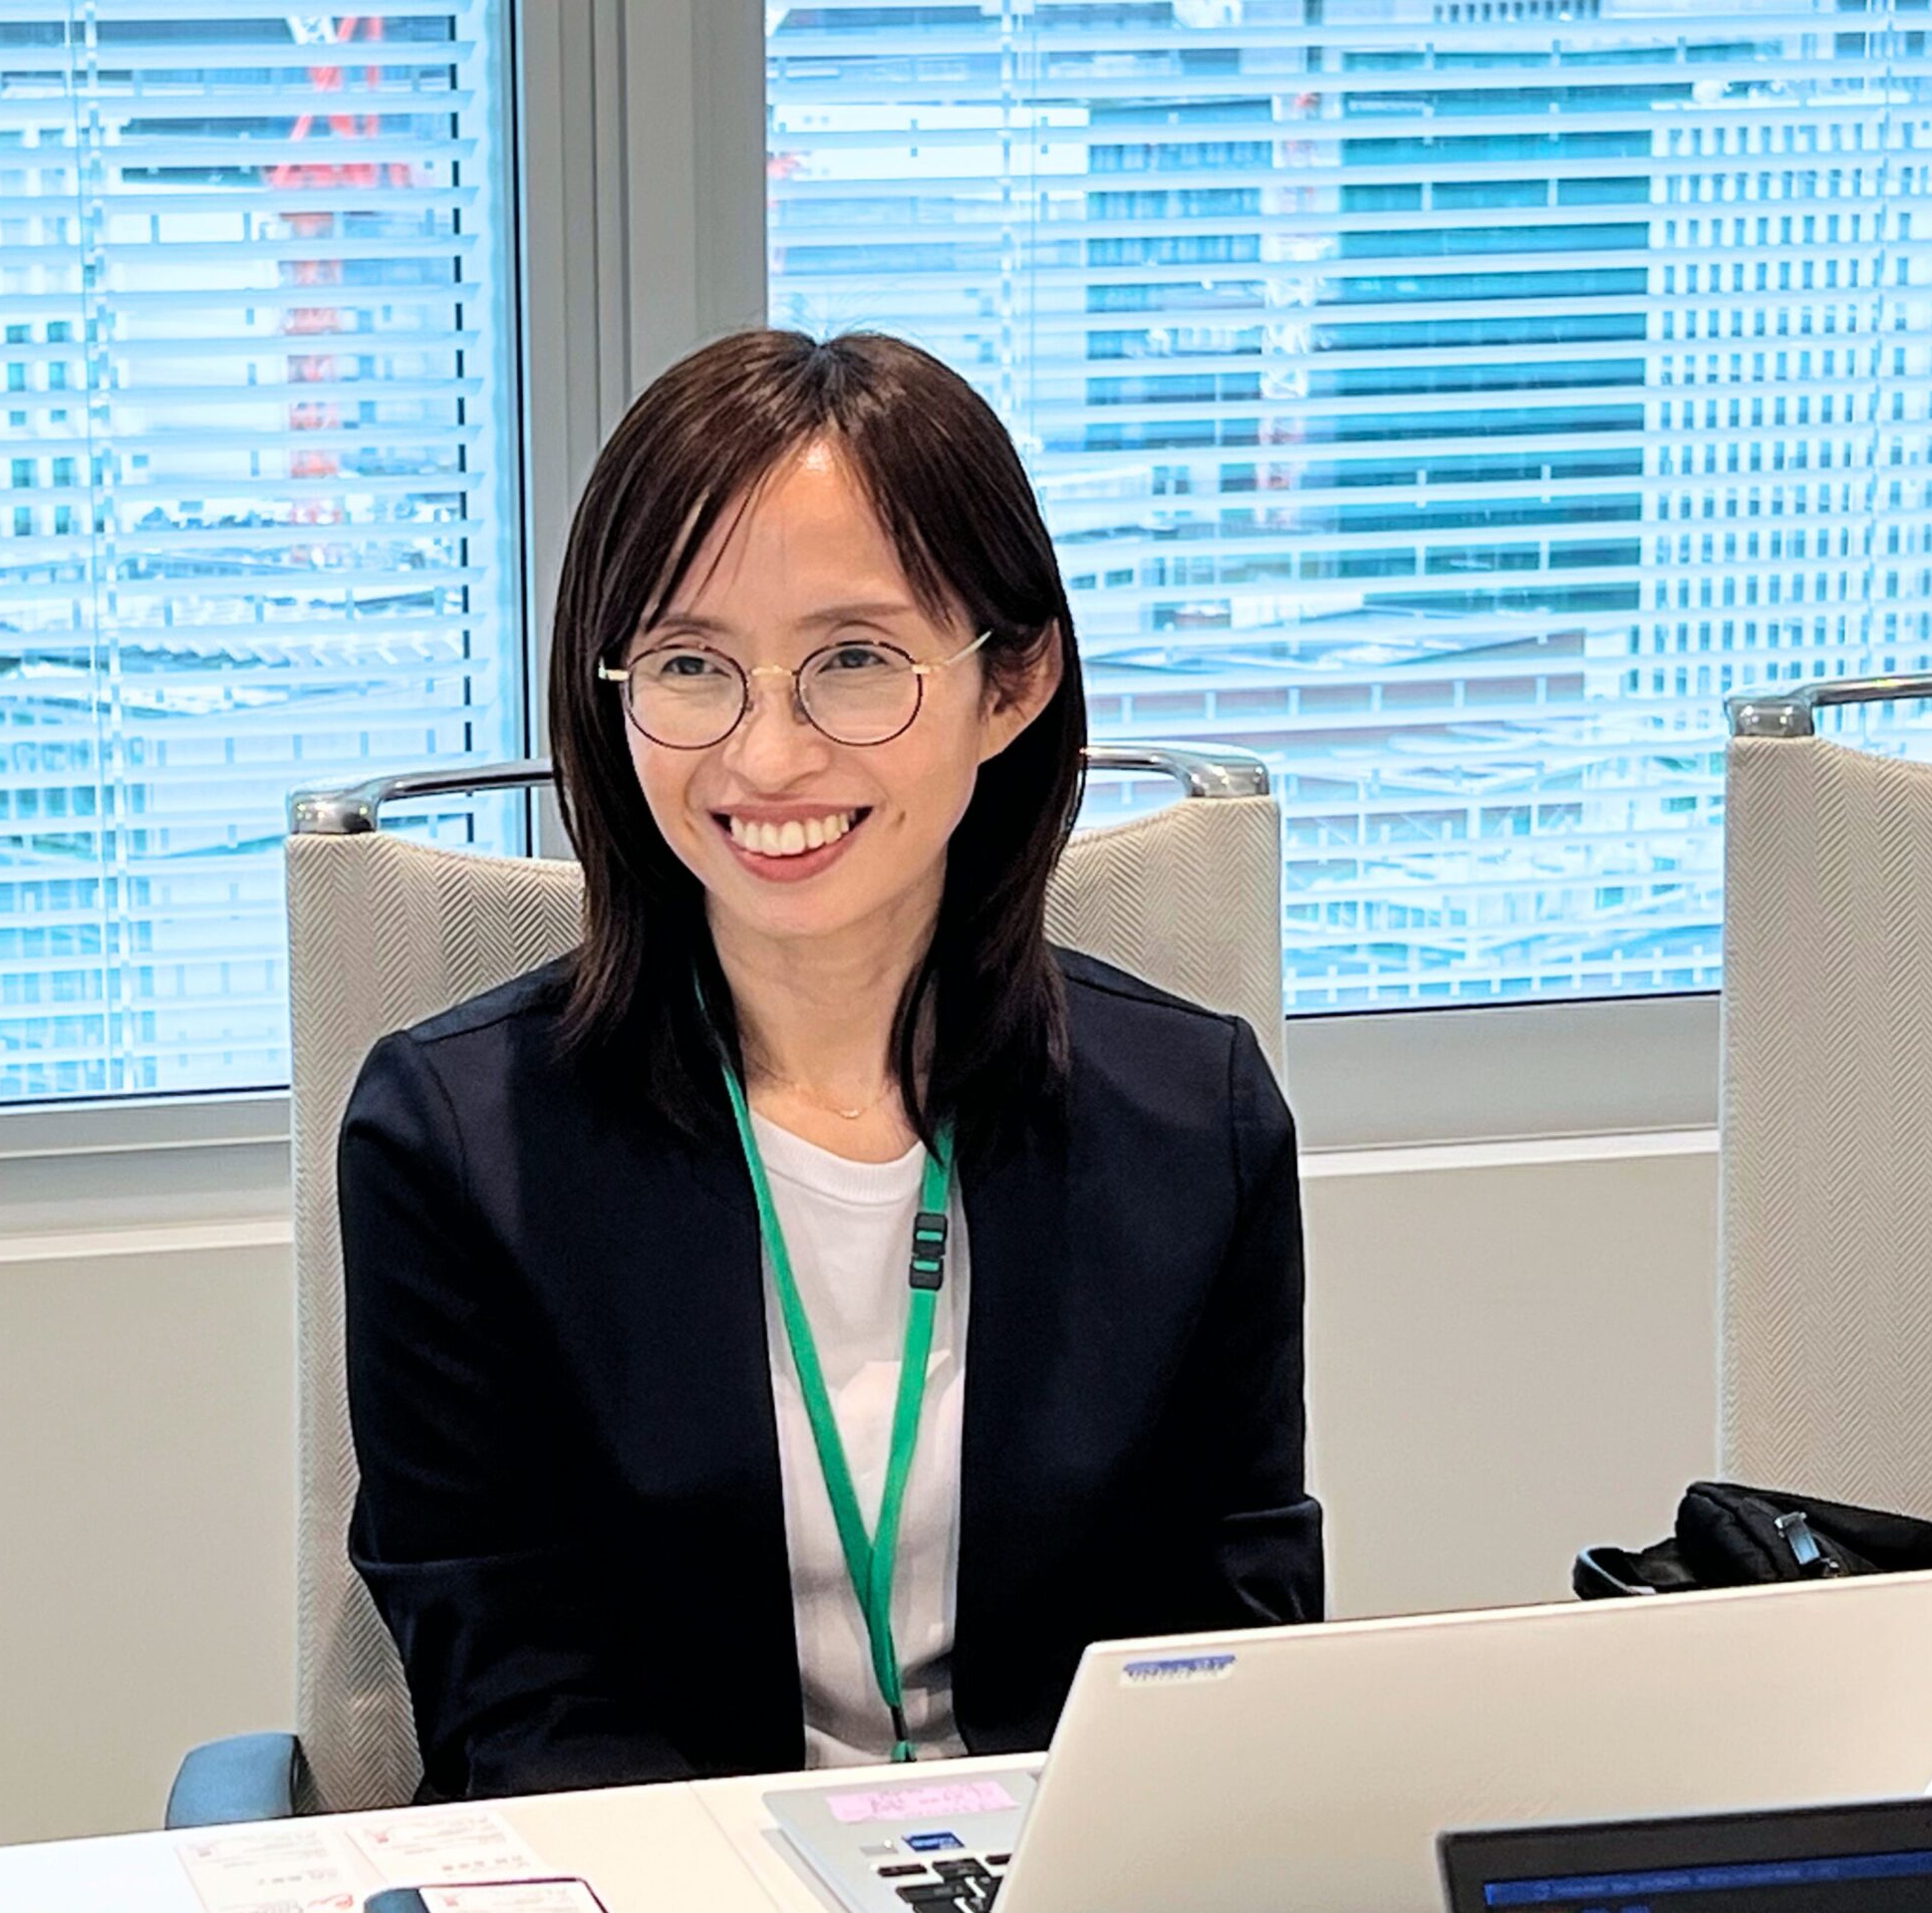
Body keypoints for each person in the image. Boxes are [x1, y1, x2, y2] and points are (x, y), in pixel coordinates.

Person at [340, 328, 1321, 1803]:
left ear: (1013, 681)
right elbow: (515, 1705)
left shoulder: (1198, 1124)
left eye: (854, 661)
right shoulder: (457, 1145)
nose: (768, 756)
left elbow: (1231, 1655)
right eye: (691, 666)